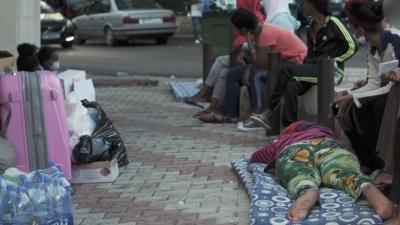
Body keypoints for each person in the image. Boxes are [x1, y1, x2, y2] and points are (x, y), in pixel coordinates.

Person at [250, 121, 394, 222]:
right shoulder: (328, 132)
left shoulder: (286, 139)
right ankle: (363, 185)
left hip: (296, 148)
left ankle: (307, 189)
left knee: (296, 170)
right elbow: (348, 148)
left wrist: (277, 144)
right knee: (344, 171)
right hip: (332, 146)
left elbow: (257, 157)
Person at [250, 0, 358, 129]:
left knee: (288, 69)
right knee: (291, 86)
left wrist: (334, 61)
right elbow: (311, 53)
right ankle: (289, 129)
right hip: (312, 70)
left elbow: (352, 46)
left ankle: (268, 112)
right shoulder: (310, 27)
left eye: (304, 4)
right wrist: (304, 66)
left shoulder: (333, 22)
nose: (302, 7)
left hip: (330, 72)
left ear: (313, 4)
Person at [197, 9, 307, 123]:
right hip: (277, 62)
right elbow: (259, 58)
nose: (235, 30)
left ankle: (258, 114)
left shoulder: (265, 33)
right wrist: (246, 55)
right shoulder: (258, 31)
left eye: (236, 28)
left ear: (243, 29)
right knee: (233, 73)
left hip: (293, 63)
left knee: (257, 75)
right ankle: (230, 114)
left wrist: (248, 43)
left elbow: (260, 63)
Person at [332, 0, 400, 172]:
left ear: (360, 29)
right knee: (339, 105)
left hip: (394, 94)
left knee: (375, 106)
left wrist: (352, 97)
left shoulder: (394, 40)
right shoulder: (373, 48)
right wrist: (347, 93)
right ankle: (367, 160)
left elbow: (389, 86)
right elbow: (373, 83)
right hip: (386, 90)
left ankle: (382, 164)